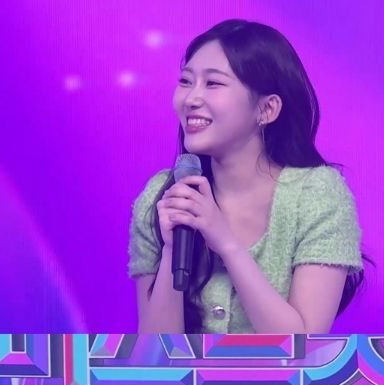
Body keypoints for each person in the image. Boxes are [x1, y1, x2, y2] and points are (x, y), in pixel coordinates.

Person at [129, 19, 363, 333]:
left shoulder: (318, 195)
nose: (191, 99)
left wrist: (225, 242)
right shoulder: (161, 195)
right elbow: (156, 352)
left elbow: (303, 346)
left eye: (213, 84)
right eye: (186, 81)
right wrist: (172, 249)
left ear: (267, 109)